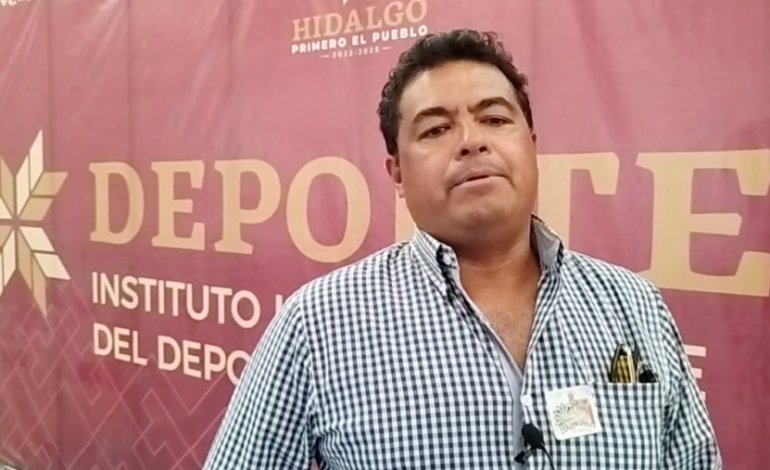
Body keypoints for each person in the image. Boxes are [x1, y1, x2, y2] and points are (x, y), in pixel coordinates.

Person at [202, 29, 721, 469]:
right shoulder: (317, 325)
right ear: (397, 174)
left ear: (532, 146)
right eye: (436, 129)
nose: (472, 141)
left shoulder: (634, 305)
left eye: (494, 119)